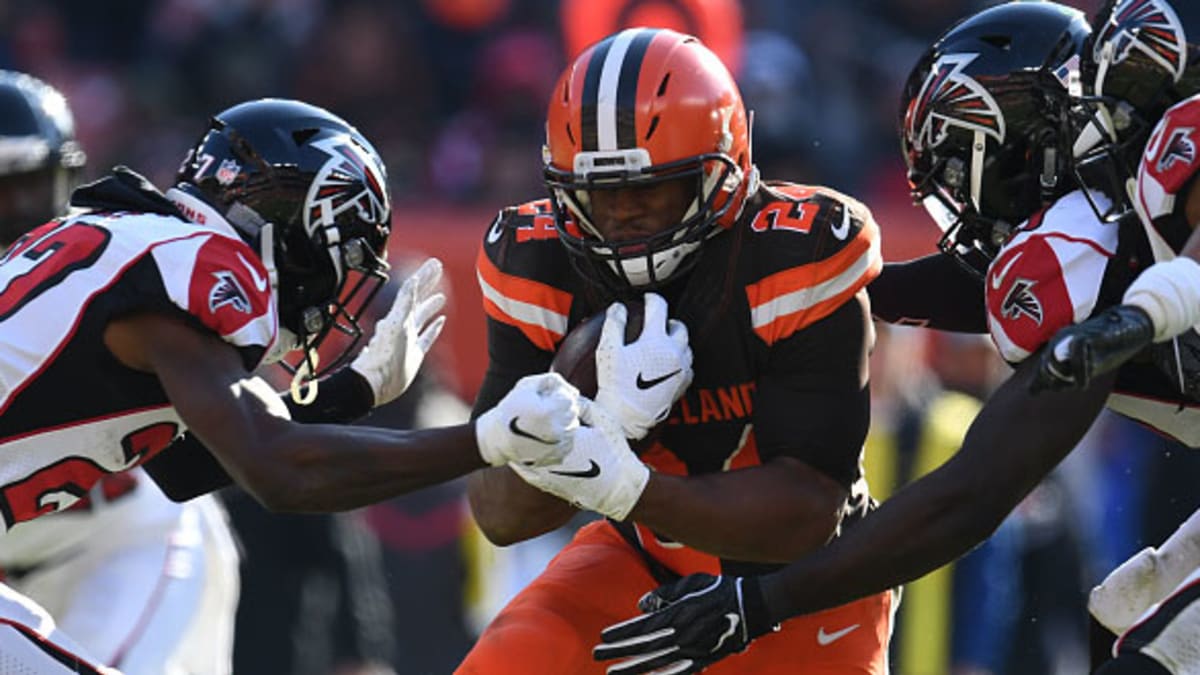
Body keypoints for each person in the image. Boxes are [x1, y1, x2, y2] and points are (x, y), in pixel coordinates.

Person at [590, 3, 1200, 674]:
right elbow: (960, 288)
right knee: (1119, 617)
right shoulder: (1112, 229)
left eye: (952, 162)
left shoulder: (1143, 202)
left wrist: (762, 601)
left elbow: (971, 494)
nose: (953, 202)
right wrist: (788, 288)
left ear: (1016, 138)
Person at [0, 95, 595, 673]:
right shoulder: (195, 264)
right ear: (295, 231)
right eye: (340, 256)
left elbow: (184, 468)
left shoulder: (128, 240)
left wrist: (354, 390)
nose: (334, 290)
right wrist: (486, 441)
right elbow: (282, 473)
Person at [459, 27, 892, 675]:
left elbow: (807, 510)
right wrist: (605, 425)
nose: (623, 216)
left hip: (797, 585)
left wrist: (630, 485)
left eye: (647, 190)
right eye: (601, 196)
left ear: (721, 174)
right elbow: (499, 510)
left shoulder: (797, 252)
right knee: (514, 658)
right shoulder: (537, 260)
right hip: (641, 557)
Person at [0, 69, 241, 675]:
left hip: (120, 548)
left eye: (24, 185)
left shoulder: (102, 273)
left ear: (67, 178)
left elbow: (238, 436)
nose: (8, 212)